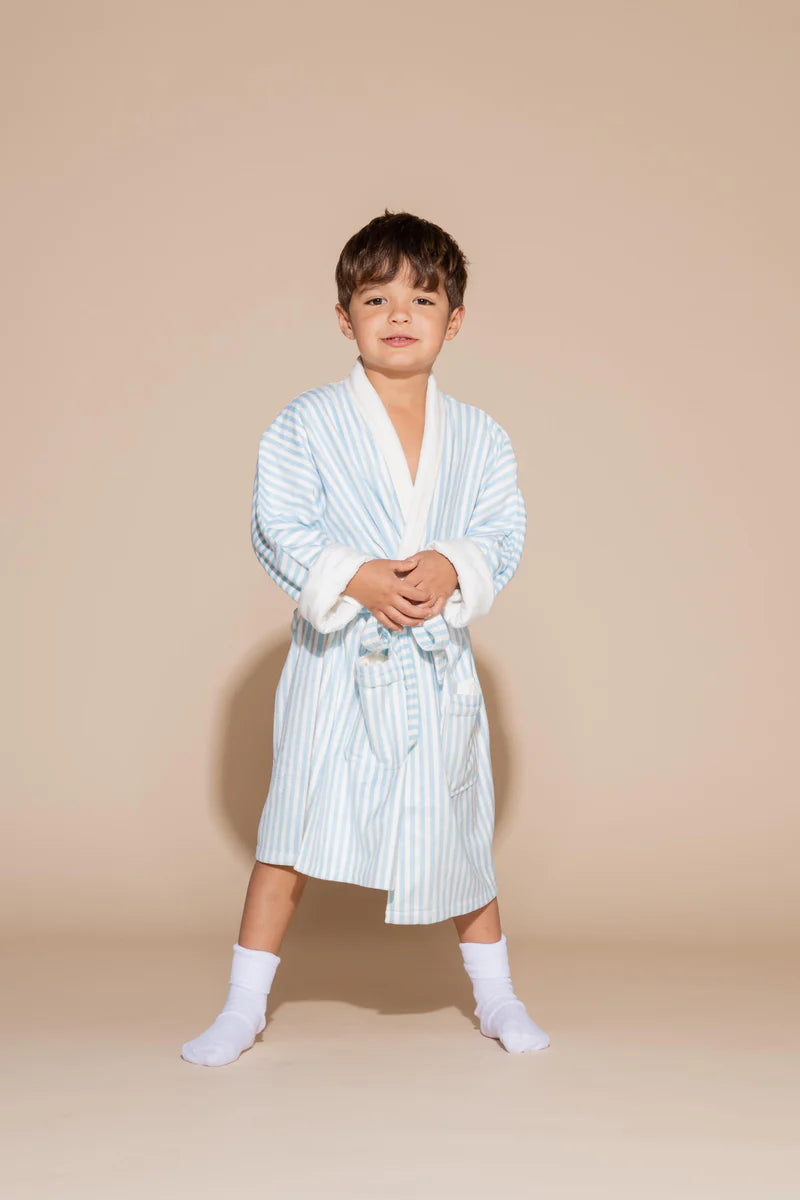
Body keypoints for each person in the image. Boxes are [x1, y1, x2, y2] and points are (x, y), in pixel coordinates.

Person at [181, 209, 550, 1066]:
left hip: (435, 665)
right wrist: (356, 576)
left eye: (423, 298)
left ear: (455, 319)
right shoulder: (306, 423)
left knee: (458, 830)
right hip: (337, 660)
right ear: (344, 317)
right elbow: (279, 523)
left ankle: (498, 997)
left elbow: (501, 529)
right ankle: (242, 1006)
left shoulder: (481, 437)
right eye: (376, 298)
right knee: (294, 826)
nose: (399, 314)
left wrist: (452, 564)